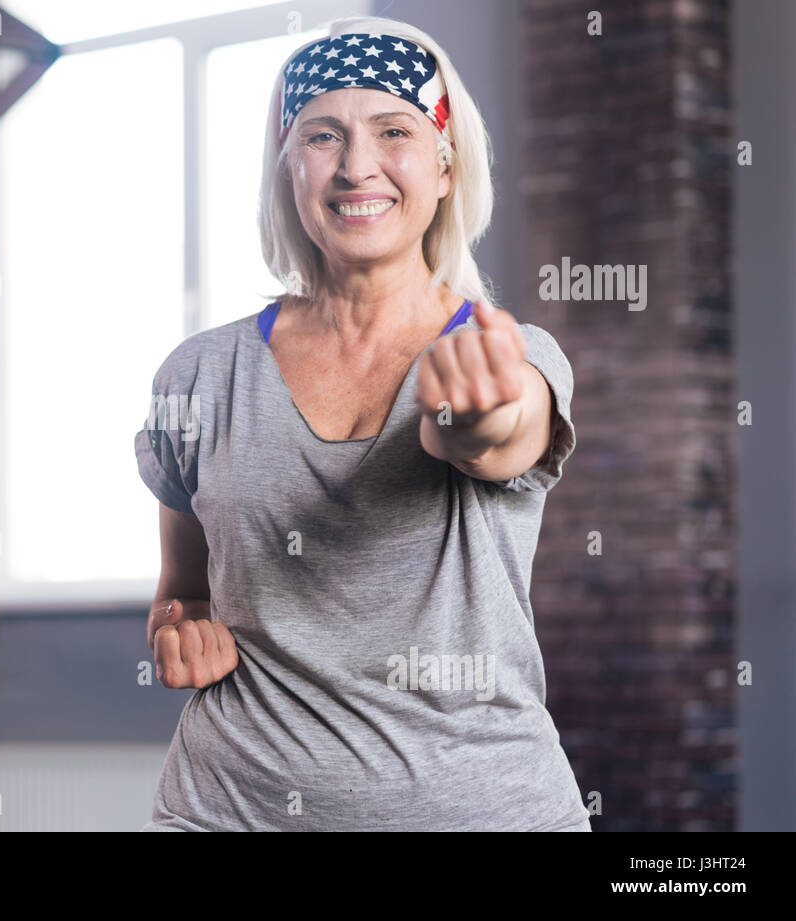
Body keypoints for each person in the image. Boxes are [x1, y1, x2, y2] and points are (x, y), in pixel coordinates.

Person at [132, 15, 589, 831]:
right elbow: (186, 588)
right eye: (321, 135)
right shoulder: (199, 374)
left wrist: (472, 417)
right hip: (229, 809)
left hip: (485, 812)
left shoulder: (509, 354)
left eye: (393, 131)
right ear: (288, 168)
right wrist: (183, 627)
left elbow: (497, 436)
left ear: (446, 165)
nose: (355, 166)